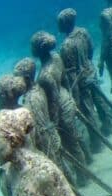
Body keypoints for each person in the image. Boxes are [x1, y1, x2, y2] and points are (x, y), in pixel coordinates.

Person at [32, 31, 90, 168]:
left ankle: (84, 175)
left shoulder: (44, 76)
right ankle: (89, 157)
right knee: (76, 135)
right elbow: (65, 81)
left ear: (38, 49)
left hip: (61, 108)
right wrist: (72, 97)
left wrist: (54, 122)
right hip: (67, 99)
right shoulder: (56, 57)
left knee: (71, 143)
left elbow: (53, 100)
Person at [58, 8, 112, 154]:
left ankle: (97, 143)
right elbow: (90, 50)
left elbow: (69, 73)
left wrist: (74, 95)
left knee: (88, 111)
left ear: (65, 23)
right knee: (100, 101)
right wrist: (88, 64)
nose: (58, 25)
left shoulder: (65, 46)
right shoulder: (83, 32)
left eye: (60, 23)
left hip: (81, 81)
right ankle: (108, 126)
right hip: (90, 71)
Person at [12, 58, 73, 183]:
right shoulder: (38, 89)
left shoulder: (31, 101)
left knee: (56, 166)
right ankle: (72, 183)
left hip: (45, 139)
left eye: (18, 78)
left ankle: (70, 188)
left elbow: (36, 125)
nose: (16, 82)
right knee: (60, 162)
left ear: (27, 79)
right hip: (49, 132)